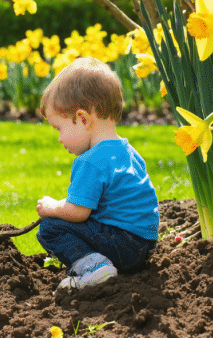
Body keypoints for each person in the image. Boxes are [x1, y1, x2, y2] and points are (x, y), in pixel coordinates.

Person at [35, 57, 159, 291]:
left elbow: (78, 213)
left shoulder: (90, 161)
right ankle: (104, 264)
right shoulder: (128, 152)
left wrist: (52, 207)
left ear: (82, 118)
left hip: (122, 246)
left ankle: (94, 268)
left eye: (60, 128)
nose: (60, 138)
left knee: (51, 227)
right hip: (144, 246)